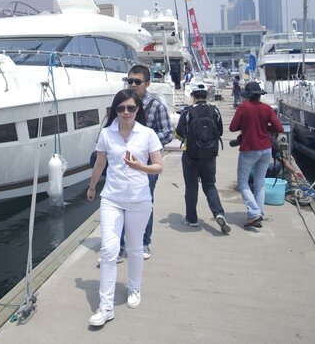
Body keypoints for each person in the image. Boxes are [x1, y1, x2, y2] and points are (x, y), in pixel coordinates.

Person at [87, 89, 163, 326]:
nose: (126, 112)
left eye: (131, 108)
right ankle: (106, 307)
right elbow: (100, 163)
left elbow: (158, 166)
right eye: (121, 108)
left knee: (134, 247)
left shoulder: (147, 134)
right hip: (111, 198)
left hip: (139, 199)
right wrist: (91, 188)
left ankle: (134, 288)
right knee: (109, 251)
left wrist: (141, 167)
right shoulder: (107, 134)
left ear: (137, 109)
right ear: (115, 111)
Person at [121, 64, 174, 260]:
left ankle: (144, 242)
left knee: (145, 203)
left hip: (146, 164)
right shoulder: (122, 103)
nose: (133, 85)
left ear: (147, 83)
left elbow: (168, 132)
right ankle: (120, 245)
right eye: (130, 81)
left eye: (137, 81)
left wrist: (146, 143)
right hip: (123, 163)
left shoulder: (156, 105)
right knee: (121, 202)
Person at [175, 83, 230, 234]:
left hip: (190, 155)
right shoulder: (215, 110)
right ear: (206, 95)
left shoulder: (188, 111)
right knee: (210, 185)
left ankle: (191, 219)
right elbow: (220, 131)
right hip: (210, 155)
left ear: (193, 95)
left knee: (192, 186)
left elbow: (179, 131)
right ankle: (219, 213)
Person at [229, 81, 283, 228]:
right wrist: (265, 126)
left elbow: (233, 127)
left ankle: (254, 213)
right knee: (260, 183)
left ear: (248, 95)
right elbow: (279, 127)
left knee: (242, 183)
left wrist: (245, 124)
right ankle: (260, 213)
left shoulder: (243, 107)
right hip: (266, 149)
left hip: (249, 149)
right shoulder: (267, 108)